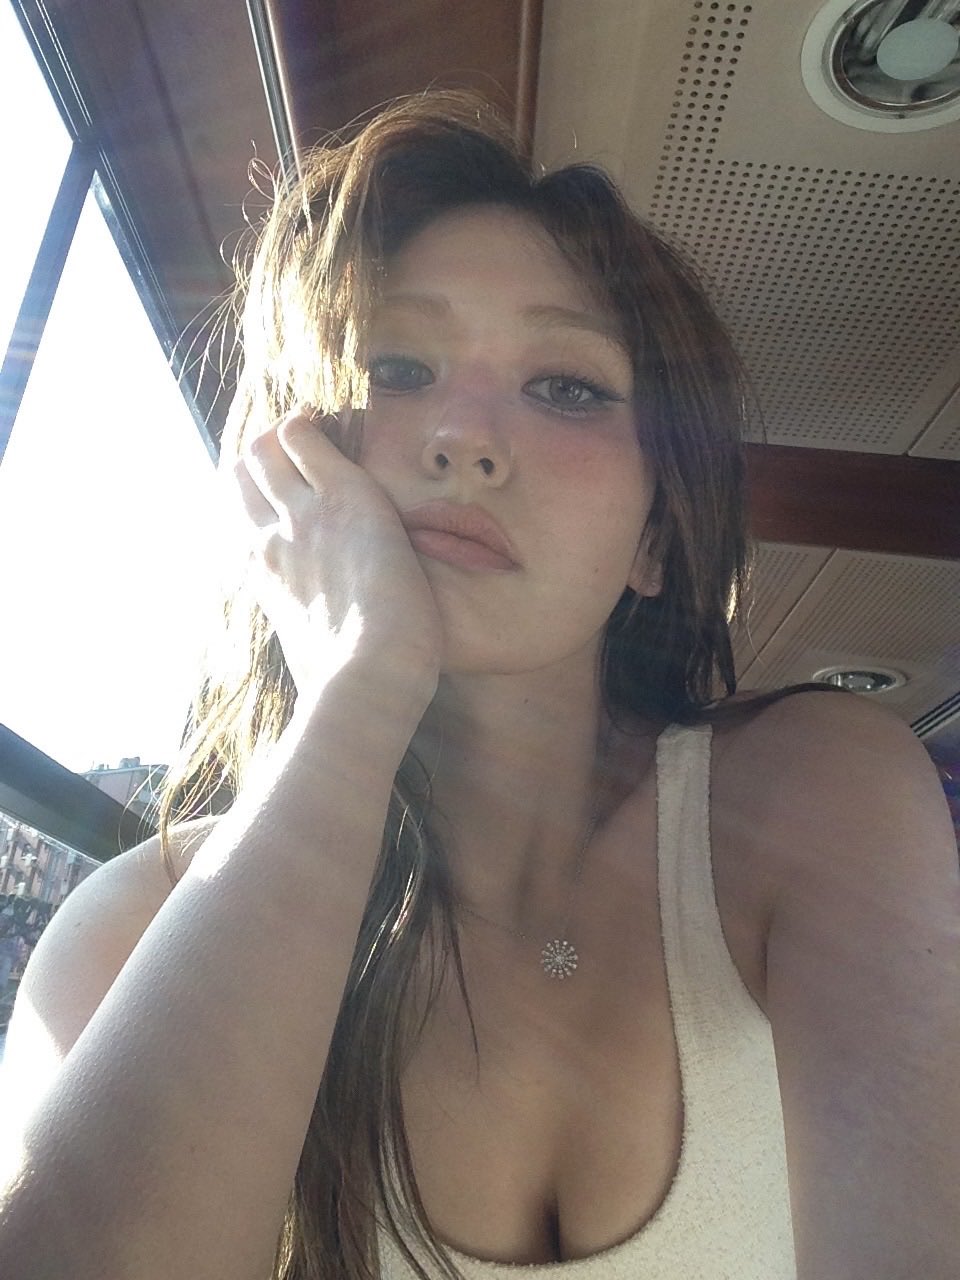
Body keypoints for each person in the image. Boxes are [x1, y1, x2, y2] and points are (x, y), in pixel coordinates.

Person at [1, 91, 957, 1280]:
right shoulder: (132, 929)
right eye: (397, 367)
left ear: (655, 539)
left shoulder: (810, 795)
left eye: (567, 387)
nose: (462, 437)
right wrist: (359, 683)